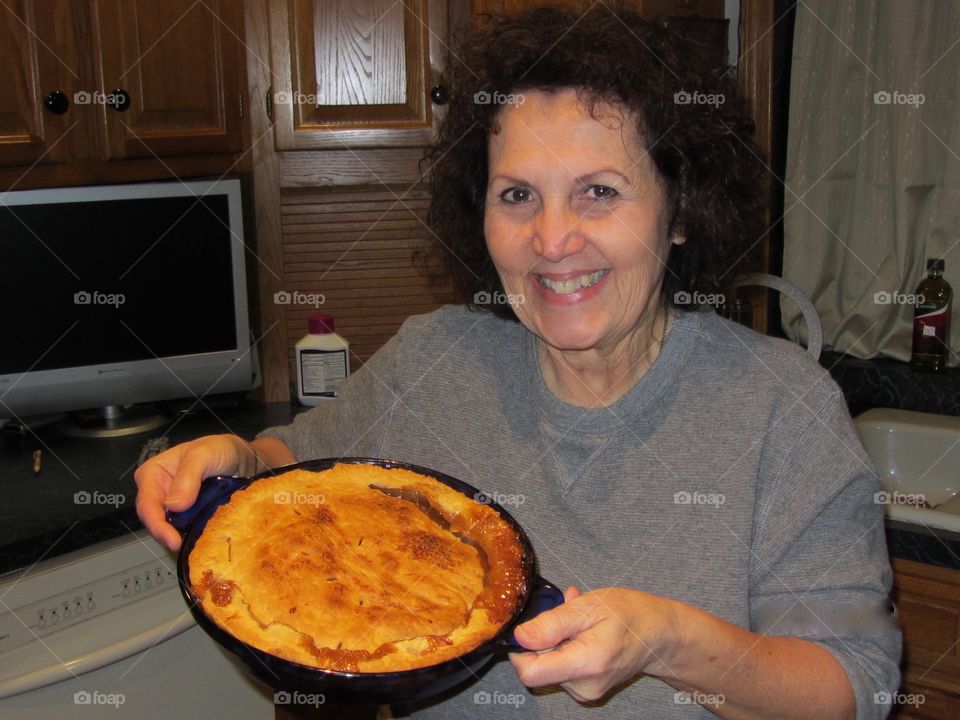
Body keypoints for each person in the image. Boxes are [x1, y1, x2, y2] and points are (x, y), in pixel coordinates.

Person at [135, 6, 901, 719]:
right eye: (518, 195)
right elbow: (294, 470)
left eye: (599, 192)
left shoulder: (782, 408)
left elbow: (855, 685)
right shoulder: (436, 360)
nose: (553, 239)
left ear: (680, 212)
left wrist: (670, 644)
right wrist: (233, 455)